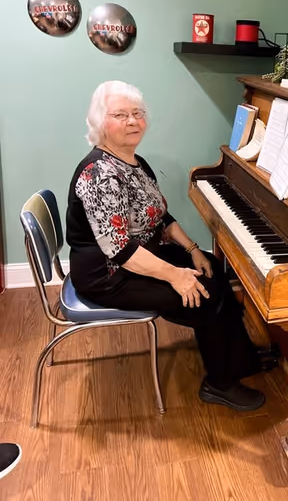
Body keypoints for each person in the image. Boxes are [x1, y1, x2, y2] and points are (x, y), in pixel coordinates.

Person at [66, 81, 267, 412]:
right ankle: (219, 383)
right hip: (109, 275)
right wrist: (175, 275)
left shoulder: (135, 161)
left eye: (138, 113)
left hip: (141, 255)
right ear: (101, 122)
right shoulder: (98, 173)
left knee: (214, 270)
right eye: (120, 115)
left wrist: (192, 250)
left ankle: (240, 359)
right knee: (205, 297)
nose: (133, 121)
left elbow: (160, 216)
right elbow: (120, 250)